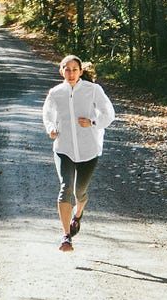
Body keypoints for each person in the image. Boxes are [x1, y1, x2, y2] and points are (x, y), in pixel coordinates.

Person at [42, 55, 116, 252]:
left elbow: (108, 113)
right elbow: (48, 113)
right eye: (67, 69)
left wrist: (93, 123)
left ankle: (78, 213)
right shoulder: (55, 93)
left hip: (88, 149)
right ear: (61, 71)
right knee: (65, 188)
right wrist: (50, 128)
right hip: (63, 148)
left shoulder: (93, 90)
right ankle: (66, 236)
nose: (71, 73)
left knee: (79, 192)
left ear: (81, 71)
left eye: (75, 69)